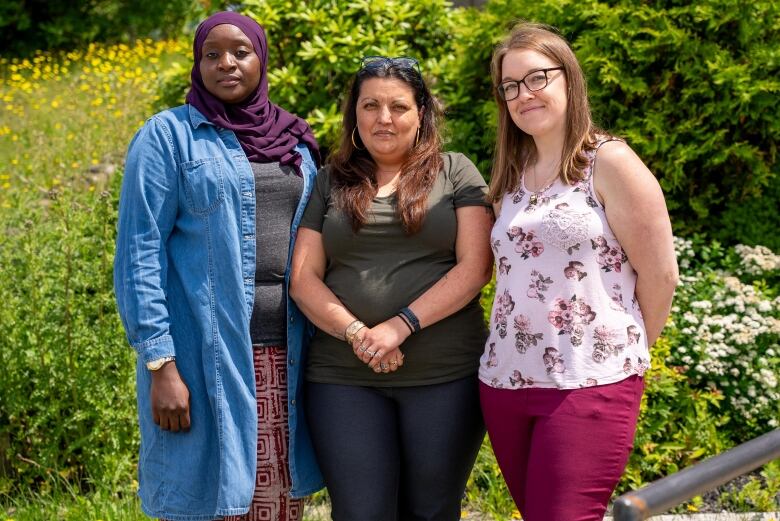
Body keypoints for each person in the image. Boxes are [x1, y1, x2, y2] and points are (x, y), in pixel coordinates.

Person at [113, 11, 323, 521]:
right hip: (203, 359)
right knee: (209, 502)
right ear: (197, 63)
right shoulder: (167, 137)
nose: (226, 63)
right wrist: (161, 363)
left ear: (262, 58)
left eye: (240, 52)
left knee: (277, 504)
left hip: (287, 357)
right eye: (212, 54)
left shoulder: (294, 142)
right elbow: (139, 253)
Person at [479, 23, 678, 521]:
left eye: (537, 78)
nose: (523, 95)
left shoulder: (609, 162)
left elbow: (661, 275)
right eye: (510, 86)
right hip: (505, 382)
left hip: (589, 382)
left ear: (569, 79)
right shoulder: (510, 173)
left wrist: (624, 355)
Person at [289, 56, 493, 521]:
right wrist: (362, 334)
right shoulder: (330, 180)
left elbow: (476, 266)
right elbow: (303, 279)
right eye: (371, 105)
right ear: (354, 115)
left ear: (421, 113)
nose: (384, 118)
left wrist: (399, 327)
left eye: (398, 106)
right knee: (361, 513)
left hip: (444, 376)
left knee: (431, 511)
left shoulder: (456, 172)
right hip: (343, 378)